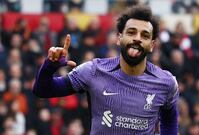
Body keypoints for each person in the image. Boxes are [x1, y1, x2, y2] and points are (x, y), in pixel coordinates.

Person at [32, 5, 179, 135]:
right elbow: (42, 90)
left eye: (145, 35)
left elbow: (170, 122)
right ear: (119, 38)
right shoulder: (93, 70)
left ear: (152, 45)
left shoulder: (166, 82)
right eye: (131, 32)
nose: (137, 38)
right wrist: (50, 65)